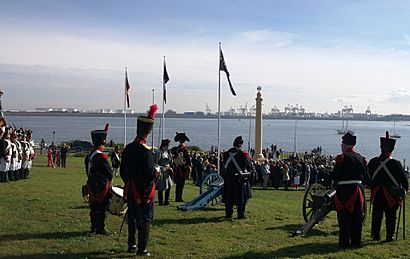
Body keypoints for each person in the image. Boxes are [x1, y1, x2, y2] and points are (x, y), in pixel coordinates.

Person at [120, 104, 160, 256]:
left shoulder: (128, 148)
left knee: (132, 217)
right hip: (144, 191)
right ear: (148, 132)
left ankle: (132, 245)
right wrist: (156, 171)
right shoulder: (146, 152)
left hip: (131, 189)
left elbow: (123, 171)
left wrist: (131, 181)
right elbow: (150, 173)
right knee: (144, 219)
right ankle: (142, 249)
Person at [368, 131, 408, 242]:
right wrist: (404, 190)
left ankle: (376, 236)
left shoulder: (373, 161)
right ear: (392, 149)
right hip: (391, 194)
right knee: (391, 217)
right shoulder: (396, 163)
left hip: (376, 193)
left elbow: (369, 177)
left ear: (381, 147)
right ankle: (389, 236)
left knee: (377, 216)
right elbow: (404, 181)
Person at [331, 132, 368, 248]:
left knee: (344, 218)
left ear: (345, 145)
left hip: (344, 192)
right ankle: (356, 242)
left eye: (342, 144)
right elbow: (367, 178)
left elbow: (335, 176)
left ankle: (344, 243)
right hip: (358, 190)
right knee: (357, 218)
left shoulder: (341, 158)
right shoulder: (361, 158)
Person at [84, 123, 113, 235]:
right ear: (102, 144)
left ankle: (94, 227)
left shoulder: (89, 156)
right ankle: (100, 228)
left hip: (91, 184)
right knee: (101, 207)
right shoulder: (101, 156)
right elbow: (109, 173)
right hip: (101, 185)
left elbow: (87, 171)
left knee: (93, 207)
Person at [222, 136, 253, 219]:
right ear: (241, 145)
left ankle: (228, 214)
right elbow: (249, 167)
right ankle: (240, 214)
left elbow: (224, 166)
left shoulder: (226, 154)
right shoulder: (243, 154)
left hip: (229, 179)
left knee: (229, 197)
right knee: (241, 197)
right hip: (239, 179)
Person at [171, 132, 192, 202]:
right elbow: (187, 159)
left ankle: (178, 197)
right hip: (182, 169)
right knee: (181, 184)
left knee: (178, 184)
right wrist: (189, 165)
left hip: (177, 168)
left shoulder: (175, 149)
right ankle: (178, 198)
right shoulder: (183, 149)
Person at [154, 139, 173, 205]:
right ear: (163, 146)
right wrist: (164, 168)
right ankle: (160, 201)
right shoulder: (158, 153)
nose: (168, 147)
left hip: (167, 172)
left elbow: (168, 162)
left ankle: (166, 201)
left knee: (169, 186)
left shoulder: (167, 152)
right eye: (167, 146)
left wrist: (171, 159)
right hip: (161, 172)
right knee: (161, 187)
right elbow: (155, 164)